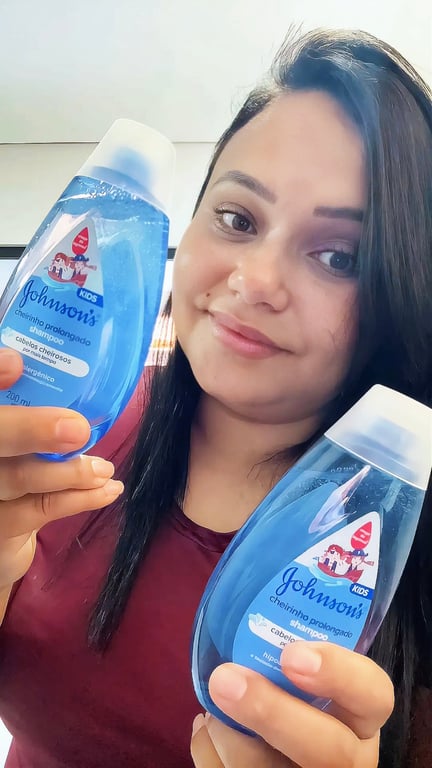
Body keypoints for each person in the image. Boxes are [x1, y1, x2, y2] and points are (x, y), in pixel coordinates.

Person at [0, 26, 431, 768]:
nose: (254, 280)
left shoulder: (400, 558)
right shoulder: (64, 428)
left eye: (339, 256)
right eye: (237, 219)